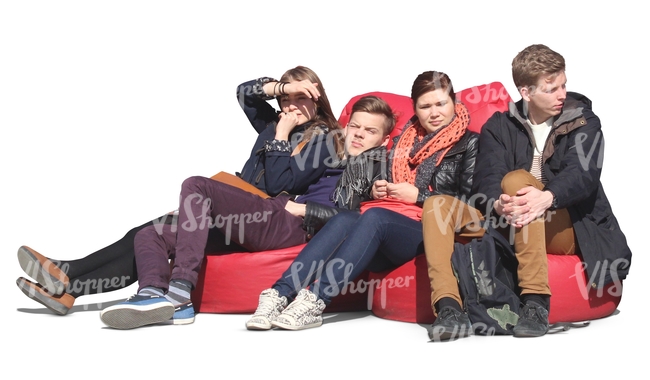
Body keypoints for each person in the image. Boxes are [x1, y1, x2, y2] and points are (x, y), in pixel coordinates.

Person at [16, 66, 343, 317]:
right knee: (147, 233)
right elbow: (245, 93)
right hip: (234, 210)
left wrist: (281, 136)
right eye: (286, 100)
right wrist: (282, 88)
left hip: (264, 217)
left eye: (301, 98)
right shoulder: (275, 125)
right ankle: (70, 288)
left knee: (188, 192)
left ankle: (75, 276)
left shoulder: (326, 139)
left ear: (318, 99)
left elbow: (278, 184)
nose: (291, 106)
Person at [97, 95, 397, 329]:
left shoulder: (375, 168)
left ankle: (179, 290)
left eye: (369, 131)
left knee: (196, 184)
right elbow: (279, 175)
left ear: (383, 140)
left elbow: (352, 222)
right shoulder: (330, 154)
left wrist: (306, 209)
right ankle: (152, 293)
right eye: (354, 126)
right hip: (272, 213)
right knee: (153, 233)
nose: (358, 135)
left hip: (294, 225)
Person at [422, 44, 632, 341]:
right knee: (436, 205)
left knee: (518, 179)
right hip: (507, 219)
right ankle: (448, 307)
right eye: (551, 89)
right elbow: (487, 176)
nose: (561, 94)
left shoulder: (583, 121)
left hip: (566, 224)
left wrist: (546, 197)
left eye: (563, 85)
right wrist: (497, 204)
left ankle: (536, 304)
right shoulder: (499, 125)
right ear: (526, 91)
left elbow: (583, 175)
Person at [245, 70, 479, 331]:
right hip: (393, 223)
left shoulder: (470, 144)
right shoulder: (404, 141)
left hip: (434, 230)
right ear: (416, 109)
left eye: (441, 104)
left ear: (454, 104)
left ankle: (315, 300)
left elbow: (472, 206)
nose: (434, 112)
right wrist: (380, 191)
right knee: (346, 218)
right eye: (425, 106)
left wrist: (419, 196)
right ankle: (279, 293)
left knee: (375, 218)